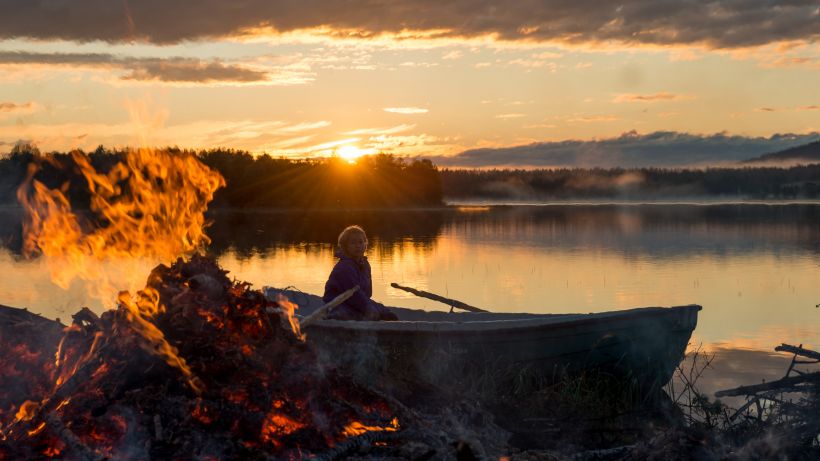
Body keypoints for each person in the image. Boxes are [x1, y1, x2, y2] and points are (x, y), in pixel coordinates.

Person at [322, 225, 398, 321]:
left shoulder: (365, 265)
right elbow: (353, 294)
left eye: (360, 242)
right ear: (345, 246)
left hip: (356, 302)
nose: (358, 246)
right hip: (337, 304)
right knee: (347, 315)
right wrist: (368, 309)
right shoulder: (344, 267)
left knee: (388, 314)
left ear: (365, 244)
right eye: (353, 243)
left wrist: (371, 308)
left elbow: (367, 293)